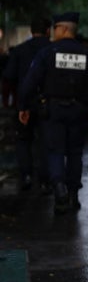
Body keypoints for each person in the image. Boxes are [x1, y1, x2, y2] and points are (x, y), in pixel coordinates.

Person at [17, 12, 88, 214]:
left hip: (53, 110)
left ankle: (59, 189)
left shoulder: (47, 53)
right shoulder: (87, 54)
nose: (53, 32)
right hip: (79, 110)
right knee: (74, 153)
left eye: (55, 28)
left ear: (62, 28)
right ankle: (73, 194)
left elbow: (30, 82)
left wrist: (23, 106)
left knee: (54, 151)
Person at [3, 17, 51, 192]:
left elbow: (9, 78)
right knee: (45, 142)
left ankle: (26, 175)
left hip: (24, 102)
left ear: (31, 31)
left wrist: (10, 102)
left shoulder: (20, 50)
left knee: (23, 140)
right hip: (48, 103)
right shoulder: (52, 50)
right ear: (48, 30)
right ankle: (45, 180)